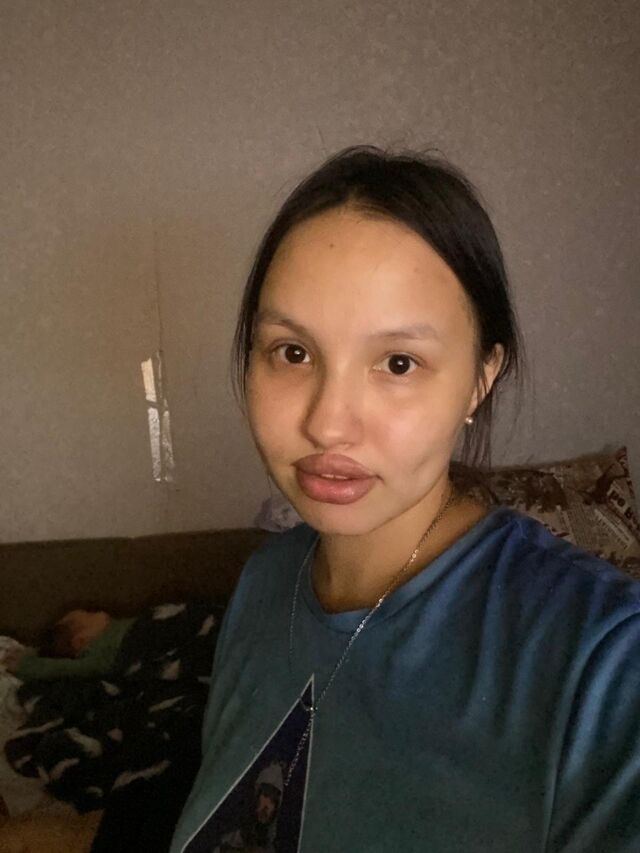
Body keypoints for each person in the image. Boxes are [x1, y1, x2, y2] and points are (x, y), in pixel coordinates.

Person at [170, 146, 640, 852]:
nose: (328, 424)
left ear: (481, 378)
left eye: (398, 363)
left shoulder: (604, 662)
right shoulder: (263, 584)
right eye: (292, 352)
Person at [4, 609, 135, 681]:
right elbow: (82, 668)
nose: (101, 612)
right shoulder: (102, 647)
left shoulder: (118, 627)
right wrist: (28, 665)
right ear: (80, 641)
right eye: (90, 615)